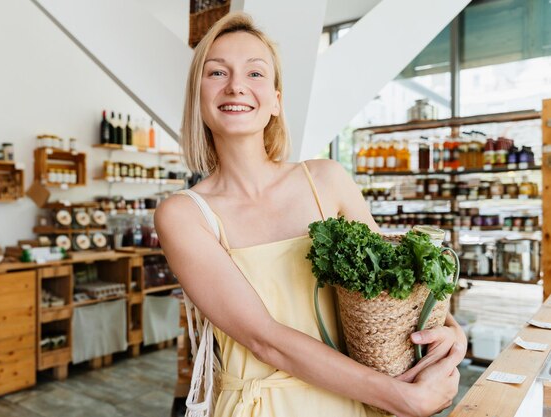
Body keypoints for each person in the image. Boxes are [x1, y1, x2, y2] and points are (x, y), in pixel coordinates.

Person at [155, 11, 467, 417]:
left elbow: (391, 291)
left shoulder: (326, 180)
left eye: (255, 74)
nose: (235, 86)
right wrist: (401, 398)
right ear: (197, 95)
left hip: (356, 401)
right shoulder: (183, 215)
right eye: (216, 73)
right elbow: (263, 338)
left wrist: (452, 334)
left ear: (276, 99)